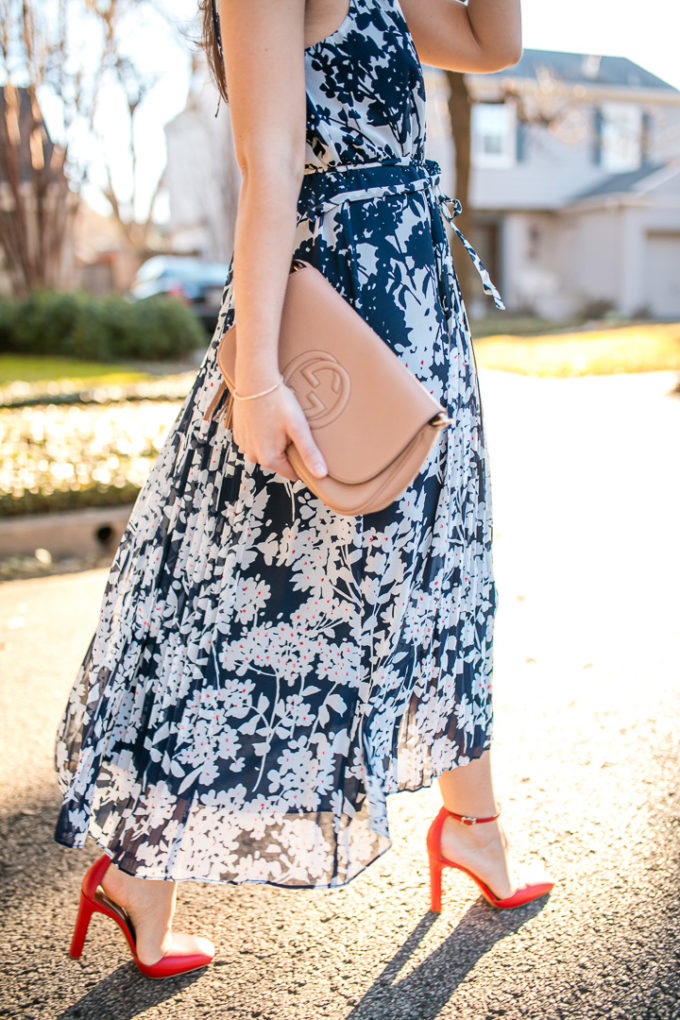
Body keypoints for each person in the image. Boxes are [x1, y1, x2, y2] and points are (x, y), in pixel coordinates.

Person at [55, 0, 553, 978]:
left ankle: (473, 829)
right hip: (327, 324)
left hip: (415, 312)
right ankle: (139, 874)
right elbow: (269, 162)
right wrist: (260, 381)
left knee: (439, 577)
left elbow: (493, 45)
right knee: (245, 608)